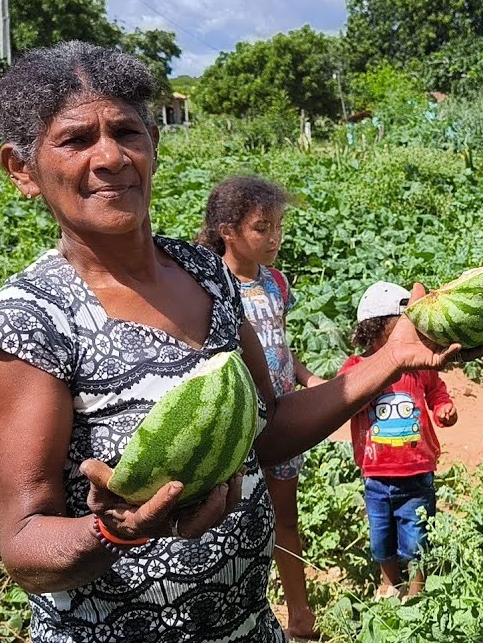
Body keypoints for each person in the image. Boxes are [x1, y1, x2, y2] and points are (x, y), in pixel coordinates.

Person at [0, 41, 481, 642]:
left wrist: (394, 355)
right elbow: (26, 547)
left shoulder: (206, 274)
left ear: (154, 146)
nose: (110, 157)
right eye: (76, 140)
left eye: (127, 132)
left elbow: (269, 431)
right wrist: (113, 532)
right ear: (22, 169)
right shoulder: (29, 320)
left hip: (245, 627)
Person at [195, 175, 325, 640]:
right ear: (228, 232)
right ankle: (237, 612)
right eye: (260, 227)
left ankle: (300, 615)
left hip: (284, 416)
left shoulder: (276, 282)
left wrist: (309, 379)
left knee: (285, 520)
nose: (273, 238)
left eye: (277, 227)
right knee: (236, 521)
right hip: (241, 423)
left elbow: (282, 346)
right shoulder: (211, 285)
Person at [339, 282, 459, 601]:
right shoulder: (356, 368)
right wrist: (375, 376)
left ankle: (416, 593)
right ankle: (389, 584)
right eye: (405, 322)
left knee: (416, 537)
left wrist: (443, 407)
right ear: (379, 326)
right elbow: (348, 400)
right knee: (381, 538)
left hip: (417, 472)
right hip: (376, 476)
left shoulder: (418, 363)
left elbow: (436, 390)